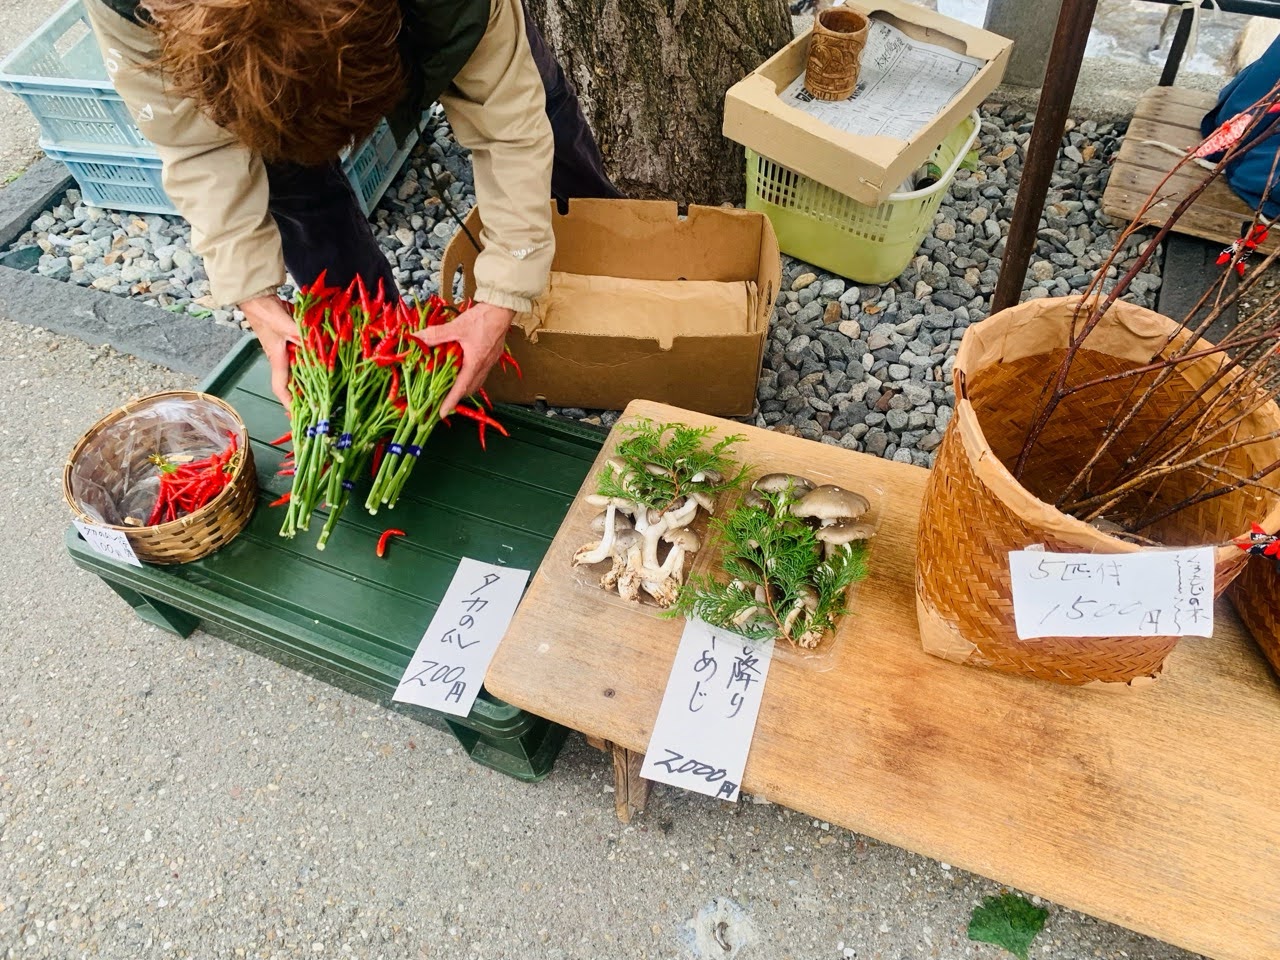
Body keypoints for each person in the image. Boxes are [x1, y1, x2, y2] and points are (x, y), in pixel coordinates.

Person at [85, 0, 620, 414]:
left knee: (538, 106)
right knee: (294, 185)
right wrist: (249, 286)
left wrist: (506, 287)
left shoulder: (453, 9)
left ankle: (616, 265)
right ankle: (376, 362)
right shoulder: (135, 11)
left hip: (435, 18)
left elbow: (510, 129)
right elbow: (194, 145)